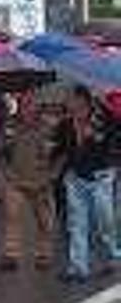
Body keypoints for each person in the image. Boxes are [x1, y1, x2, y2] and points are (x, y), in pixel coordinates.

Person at [54, 86, 121, 283]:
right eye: (69, 99)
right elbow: (58, 148)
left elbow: (114, 140)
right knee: (77, 223)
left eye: (72, 98)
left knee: (104, 221)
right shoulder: (65, 124)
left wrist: (98, 136)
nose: (69, 102)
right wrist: (48, 150)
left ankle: (112, 257)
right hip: (75, 178)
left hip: (100, 177)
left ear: (84, 100)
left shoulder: (104, 118)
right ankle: (78, 267)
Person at [0, 89, 59, 273]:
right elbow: (0, 148)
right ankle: (11, 255)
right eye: (24, 104)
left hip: (41, 182)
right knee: (12, 217)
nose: (26, 109)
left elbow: (60, 153)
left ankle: (44, 255)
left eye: (30, 104)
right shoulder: (10, 123)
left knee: (44, 221)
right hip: (15, 179)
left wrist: (53, 173)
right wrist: (6, 143)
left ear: (38, 106)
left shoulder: (50, 126)